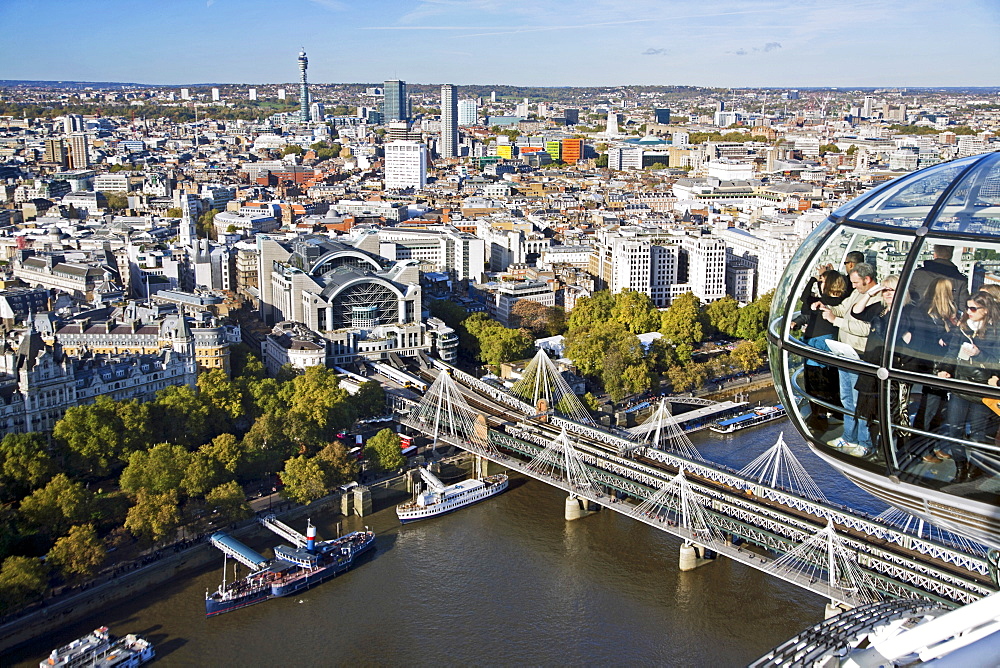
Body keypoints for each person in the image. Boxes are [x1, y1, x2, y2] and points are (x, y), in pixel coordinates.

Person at [928, 291, 1000, 480]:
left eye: (973, 309)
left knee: (978, 434)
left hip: (981, 388)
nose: (968, 312)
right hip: (961, 385)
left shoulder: (996, 331)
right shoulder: (962, 328)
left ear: (985, 310)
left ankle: (974, 470)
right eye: (967, 308)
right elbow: (952, 352)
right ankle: (961, 468)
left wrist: (979, 354)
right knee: (954, 430)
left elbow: (998, 362)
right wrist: (944, 369)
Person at [820, 262, 881, 454]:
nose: (852, 285)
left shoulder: (877, 300)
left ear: (867, 280)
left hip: (860, 354)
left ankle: (864, 442)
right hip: (845, 351)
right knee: (847, 398)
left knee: (859, 401)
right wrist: (826, 306)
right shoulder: (857, 293)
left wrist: (835, 321)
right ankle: (849, 437)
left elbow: (867, 329)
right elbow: (843, 309)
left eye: (856, 282)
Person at [853, 275, 914, 458]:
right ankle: (877, 448)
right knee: (871, 413)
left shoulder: (906, 313)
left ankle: (889, 453)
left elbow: (907, 342)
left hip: (889, 369)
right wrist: (870, 293)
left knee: (890, 413)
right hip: (872, 366)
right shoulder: (879, 309)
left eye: (892, 290)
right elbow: (856, 312)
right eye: (885, 290)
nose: (887, 293)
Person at [792, 267, 849, 420]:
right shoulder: (843, 300)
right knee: (830, 379)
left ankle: (819, 413)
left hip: (816, 343)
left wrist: (813, 279)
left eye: (823, 282)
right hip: (827, 342)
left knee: (815, 381)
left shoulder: (822, 301)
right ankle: (833, 411)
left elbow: (804, 298)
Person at [908, 245, 970, 310]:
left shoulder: (919, 274)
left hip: (918, 317)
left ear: (935, 255)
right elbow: (963, 307)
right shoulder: (961, 280)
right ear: (951, 255)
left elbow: (908, 297)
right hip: (946, 318)